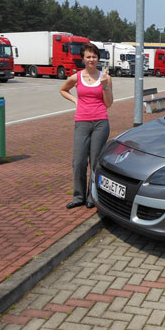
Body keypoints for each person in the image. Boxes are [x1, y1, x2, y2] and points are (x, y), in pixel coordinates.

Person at [60, 43, 113, 209]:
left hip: (100, 122)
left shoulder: (105, 77)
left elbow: (109, 103)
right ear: (83, 58)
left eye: (94, 56)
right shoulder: (76, 77)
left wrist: (104, 85)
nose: (91, 59)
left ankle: (92, 196)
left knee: (95, 160)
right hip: (82, 121)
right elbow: (63, 89)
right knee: (79, 161)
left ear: (98, 58)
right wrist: (75, 100)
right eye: (88, 56)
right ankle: (78, 196)